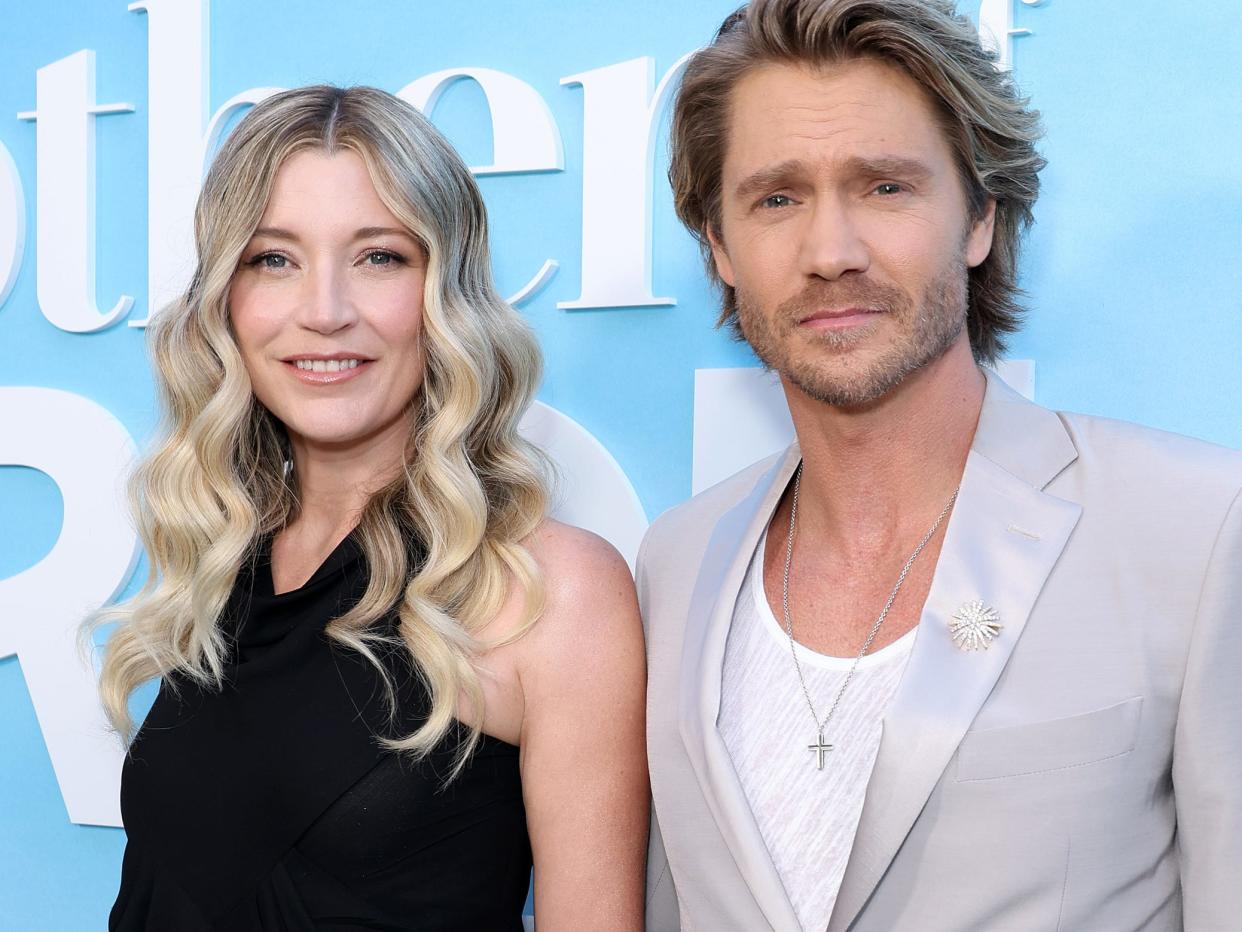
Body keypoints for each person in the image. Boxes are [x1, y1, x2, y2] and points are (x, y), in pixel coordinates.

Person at [640, 1, 1242, 929]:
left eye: (885, 187)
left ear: (979, 220)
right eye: (776, 198)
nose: (830, 253)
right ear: (719, 247)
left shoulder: (1198, 528)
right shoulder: (674, 567)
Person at [90, 85, 647, 931]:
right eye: (274, 259)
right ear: (226, 302)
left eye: (379, 256)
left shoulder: (547, 590)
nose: (324, 312)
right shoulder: (224, 560)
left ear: (443, 295)